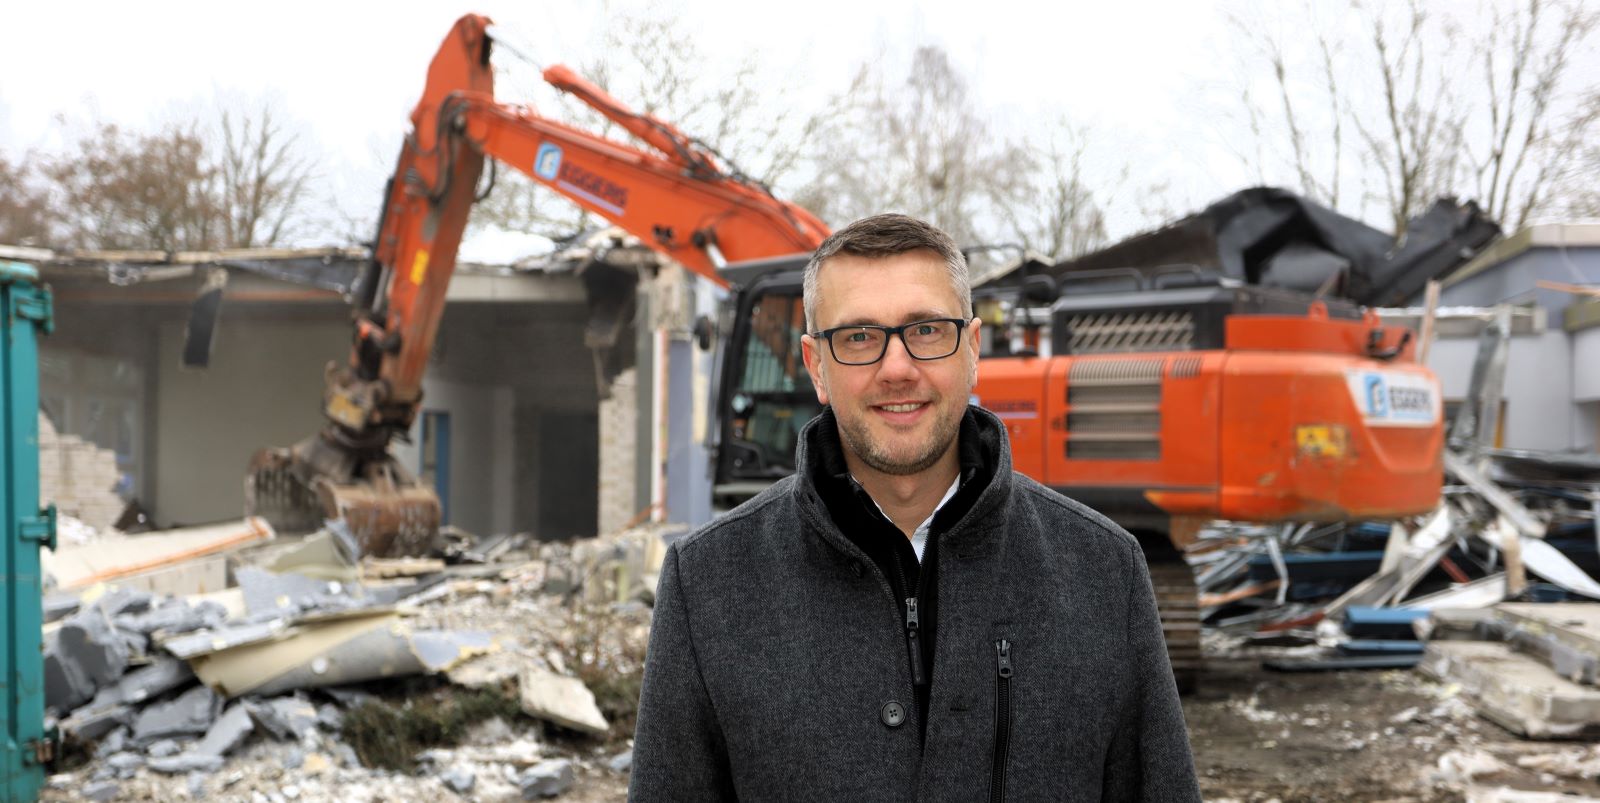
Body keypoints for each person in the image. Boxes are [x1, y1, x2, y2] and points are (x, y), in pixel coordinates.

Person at [630, 214, 1200, 801]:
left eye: (926, 330)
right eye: (858, 337)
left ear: (972, 349)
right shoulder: (707, 584)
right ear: (816, 366)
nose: (897, 368)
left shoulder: (1104, 572)